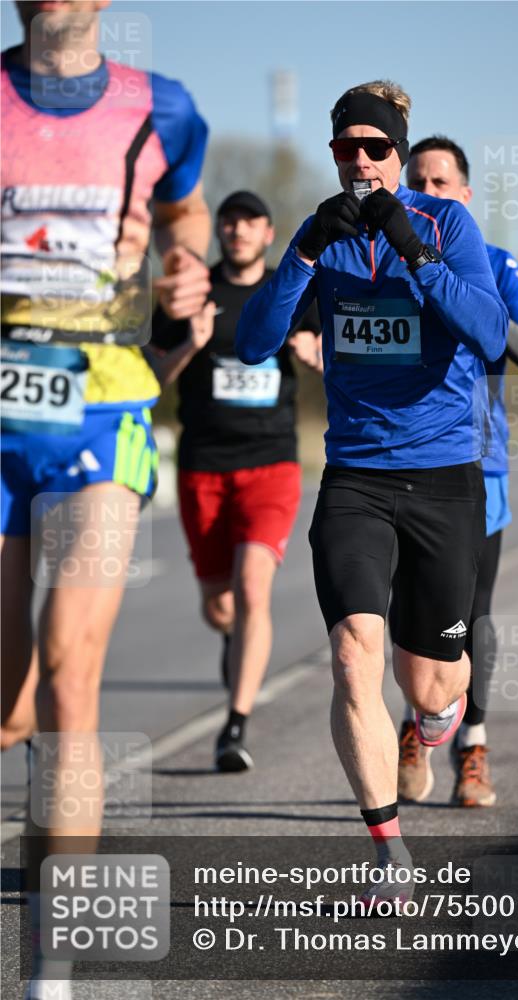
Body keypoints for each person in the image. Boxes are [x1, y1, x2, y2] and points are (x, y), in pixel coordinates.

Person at [236, 80, 508, 908]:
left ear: (397, 150)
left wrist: (415, 253)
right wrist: (305, 250)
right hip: (355, 477)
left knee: (433, 685)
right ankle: (387, 850)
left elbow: (490, 334)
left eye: (375, 147)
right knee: (354, 654)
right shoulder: (322, 238)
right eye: (345, 148)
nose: (359, 161)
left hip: (443, 479)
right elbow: (252, 343)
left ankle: (433, 727)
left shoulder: (445, 224)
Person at [1, 3, 210, 997]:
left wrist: (185, 261)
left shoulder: (159, 108)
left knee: (69, 670)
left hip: (102, 411)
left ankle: (53, 965)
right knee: (8, 701)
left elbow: (188, 208)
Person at [396, 136, 518, 807]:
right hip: (396, 465)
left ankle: (473, 747)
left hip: (475, 466)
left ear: (464, 194)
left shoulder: (493, 262)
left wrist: (482, 319)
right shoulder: (382, 262)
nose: (427, 194)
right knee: (404, 611)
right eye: (417, 182)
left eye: (441, 183)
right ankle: (416, 724)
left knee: (470, 613)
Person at [147, 190, 320, 773]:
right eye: (229, 220)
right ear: (218, 230)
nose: (238, 229)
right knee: (220, 606)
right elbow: (150, 376)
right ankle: (232, 639)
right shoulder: (191, 291)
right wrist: (189, 345)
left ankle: (235, 725)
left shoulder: (290, 292)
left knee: (252, 588)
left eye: (250, 221)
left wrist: (319, 353)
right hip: (203, 466)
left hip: (271, 463)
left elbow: (337, 351)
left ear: (268, 233)